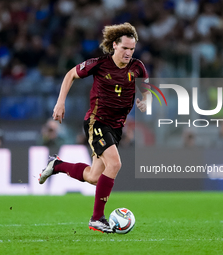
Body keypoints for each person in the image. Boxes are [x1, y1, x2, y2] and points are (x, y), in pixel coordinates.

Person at [38, 22, 150, 233]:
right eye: (125, 48)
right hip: (97, 122)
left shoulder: (137, 67)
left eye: (132, 49)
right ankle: (97, 218)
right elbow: (70, 74)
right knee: (115, 164)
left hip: (116, 128)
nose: (128, 52)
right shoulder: (99, 64)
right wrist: (60, 102)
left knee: (93, 177)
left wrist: (146, 101)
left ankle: (57, 165)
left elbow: (147, 90)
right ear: (115, 45)